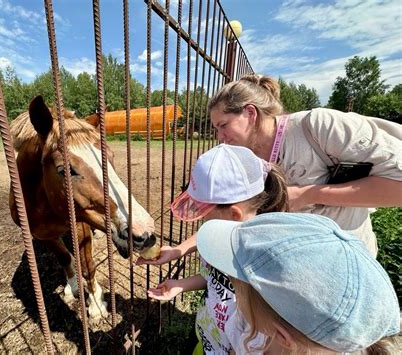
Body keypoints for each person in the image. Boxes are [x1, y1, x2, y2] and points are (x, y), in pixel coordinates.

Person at [207, 74, 402, 256]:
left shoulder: (317, 126)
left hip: (347, 266)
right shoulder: (246, 157)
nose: (220, 137)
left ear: (250, 113)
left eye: (223, 125)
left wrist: (308, 194)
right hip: (293, 270)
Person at [144, 143, 289, 354]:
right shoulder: (225, 241)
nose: (202, 222)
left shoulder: (264, 266)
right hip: (209, 338)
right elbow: (214, 277)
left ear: (234, 215)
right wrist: (180, 285)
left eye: (205, 216)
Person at [196, 213, 400, 354]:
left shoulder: (254, 334)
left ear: (282, 336)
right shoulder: (253, 330)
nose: (235, 293)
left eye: (239, 289)